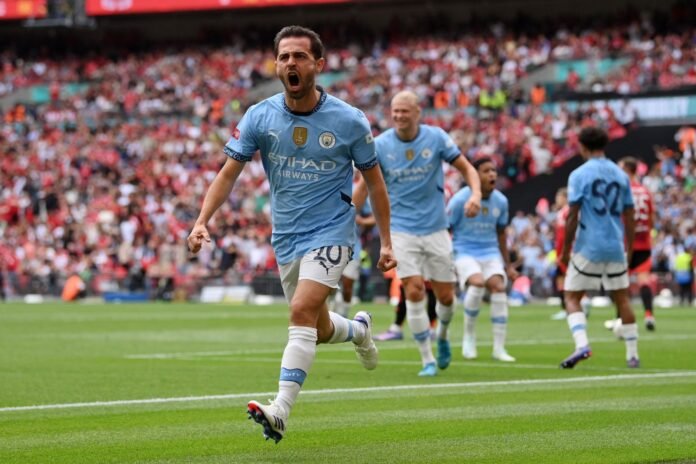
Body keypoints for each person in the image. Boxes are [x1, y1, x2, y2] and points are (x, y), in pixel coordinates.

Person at [187, 26, 396, 443]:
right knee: (316, 328)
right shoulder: (259, 116)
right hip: (286, 237)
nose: (290, 64)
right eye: (284, 57)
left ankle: (280, 409)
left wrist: (387, 241)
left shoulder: (349, 120)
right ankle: (358, 331)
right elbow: (229, 172)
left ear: (318, 65)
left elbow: (374, 182)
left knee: (300, 311)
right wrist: (201, 220)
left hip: (333, 231)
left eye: (299, 56)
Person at [355, 90, 481, 376]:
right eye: (395, 111)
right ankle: (427, 359)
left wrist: (475, 194)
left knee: (446, 297)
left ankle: (444, 335)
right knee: (412, 290)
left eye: (404, 111)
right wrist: (349, 212)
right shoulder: (381, 144)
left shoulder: (435, 138)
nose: (398, 116)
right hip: (401, 230)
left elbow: (467, 168)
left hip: (436, 228)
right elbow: (365, 185)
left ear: (417, 112)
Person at [559, 127, 639, 369]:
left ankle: (582, 344)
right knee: (622, 298)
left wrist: (565, 248)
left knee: (572, 296)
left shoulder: (579, 174)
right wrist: (630, 247)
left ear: (582, 146)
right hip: (615, 245)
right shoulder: (620, 174)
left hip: (589, 246)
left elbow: (572, 215)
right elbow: (630, 214)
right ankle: (632, 355)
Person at [448, 156, 518, 362]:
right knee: (477, 283)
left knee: (498, 286)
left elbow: (502, 234)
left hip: (490, 253)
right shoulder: (460, 199)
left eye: (494, 171)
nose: (492, 175)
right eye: (487, 171)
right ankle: (469, 338)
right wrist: (447, 261)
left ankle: (499, 348)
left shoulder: (501, 201)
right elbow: (446, 229)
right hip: (464, 251)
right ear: (475, 174)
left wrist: (507, 265)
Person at [604, 157, 656, 332]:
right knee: (644, 280)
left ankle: (620, 318)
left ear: (627, 170)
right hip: (644, 242)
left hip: (625, 243)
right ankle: (649, 315)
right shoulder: (646, 192)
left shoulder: (622, 191)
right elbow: (651, 219)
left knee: (619, 283)